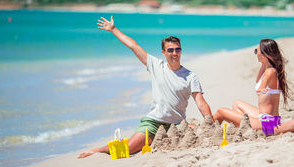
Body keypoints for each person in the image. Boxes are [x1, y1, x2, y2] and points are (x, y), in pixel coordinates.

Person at [78, 16, 213, 158]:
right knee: (130, 149)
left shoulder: (190, 76)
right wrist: (113, 29)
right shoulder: (156, 66)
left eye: (177, 49)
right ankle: (99, 149)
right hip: (153, 123)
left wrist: (211, 123)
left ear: (181, 51)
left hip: (177, 125)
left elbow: (201, 103)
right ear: (163, 52)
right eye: (170, 50)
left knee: (197, 132)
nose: (174, 53)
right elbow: (134, 46)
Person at [213, 39, 290, 134]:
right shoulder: (269, 69)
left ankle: (208, 129)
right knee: (237, 104)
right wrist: (264, 62)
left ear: (265, 54)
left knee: (221, 111)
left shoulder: (270, 72)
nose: (256, 54)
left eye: (256, 51)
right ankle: (244, 128)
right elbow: (258, 80)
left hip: (268, 124)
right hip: (269, 120)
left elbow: (261, 87)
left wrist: (262, 88)